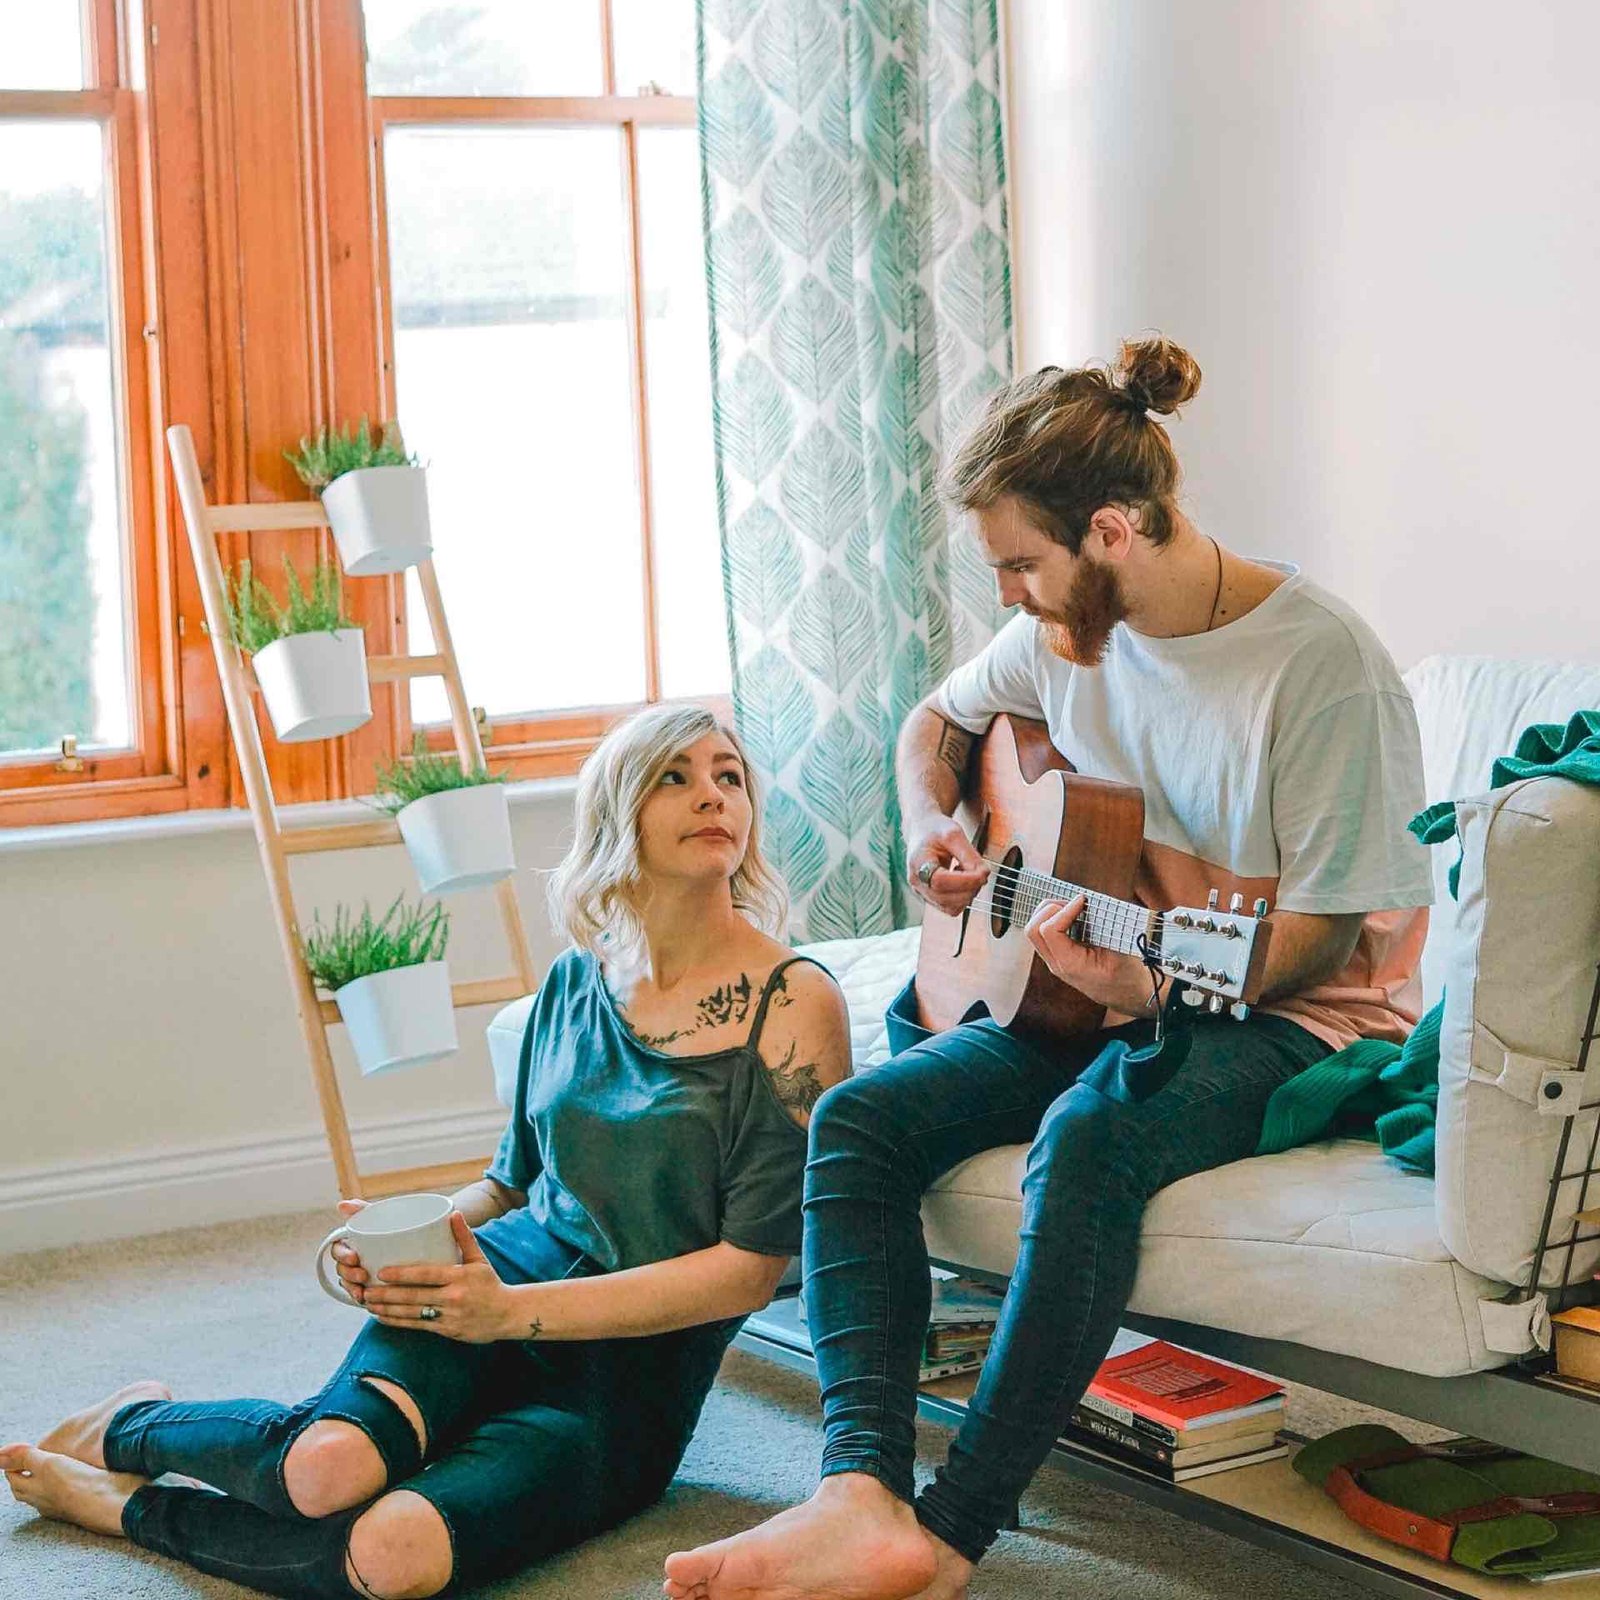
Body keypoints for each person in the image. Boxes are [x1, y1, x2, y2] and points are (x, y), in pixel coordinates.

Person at [662, 336, 1435, 1600]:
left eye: (1021, 564)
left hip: (1298, 1019)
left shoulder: (1321, 668)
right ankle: (858, 1489)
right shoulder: (1067, 638)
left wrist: (1155, 989)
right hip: (1101, 989)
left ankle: (948, 1533)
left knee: (1087, 1137)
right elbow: (935, 722)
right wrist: (934, 823)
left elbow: (1316, 939)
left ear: (1114, 531)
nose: (1009, 595)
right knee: (857, 1121)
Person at [2, 704, 852, 1600]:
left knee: (391, 1557)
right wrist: (403, 1238)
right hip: (490, 1284)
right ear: (618, 813)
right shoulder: (576, 977)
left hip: (625, 1377)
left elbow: (748, 1274)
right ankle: (135, 1422)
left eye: (729, 776)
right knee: (322, 1471)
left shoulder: (794, 1004)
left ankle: (122, 1507)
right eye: (674, 777)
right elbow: (510, 1183)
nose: (713, 795)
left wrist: (510, 1316)